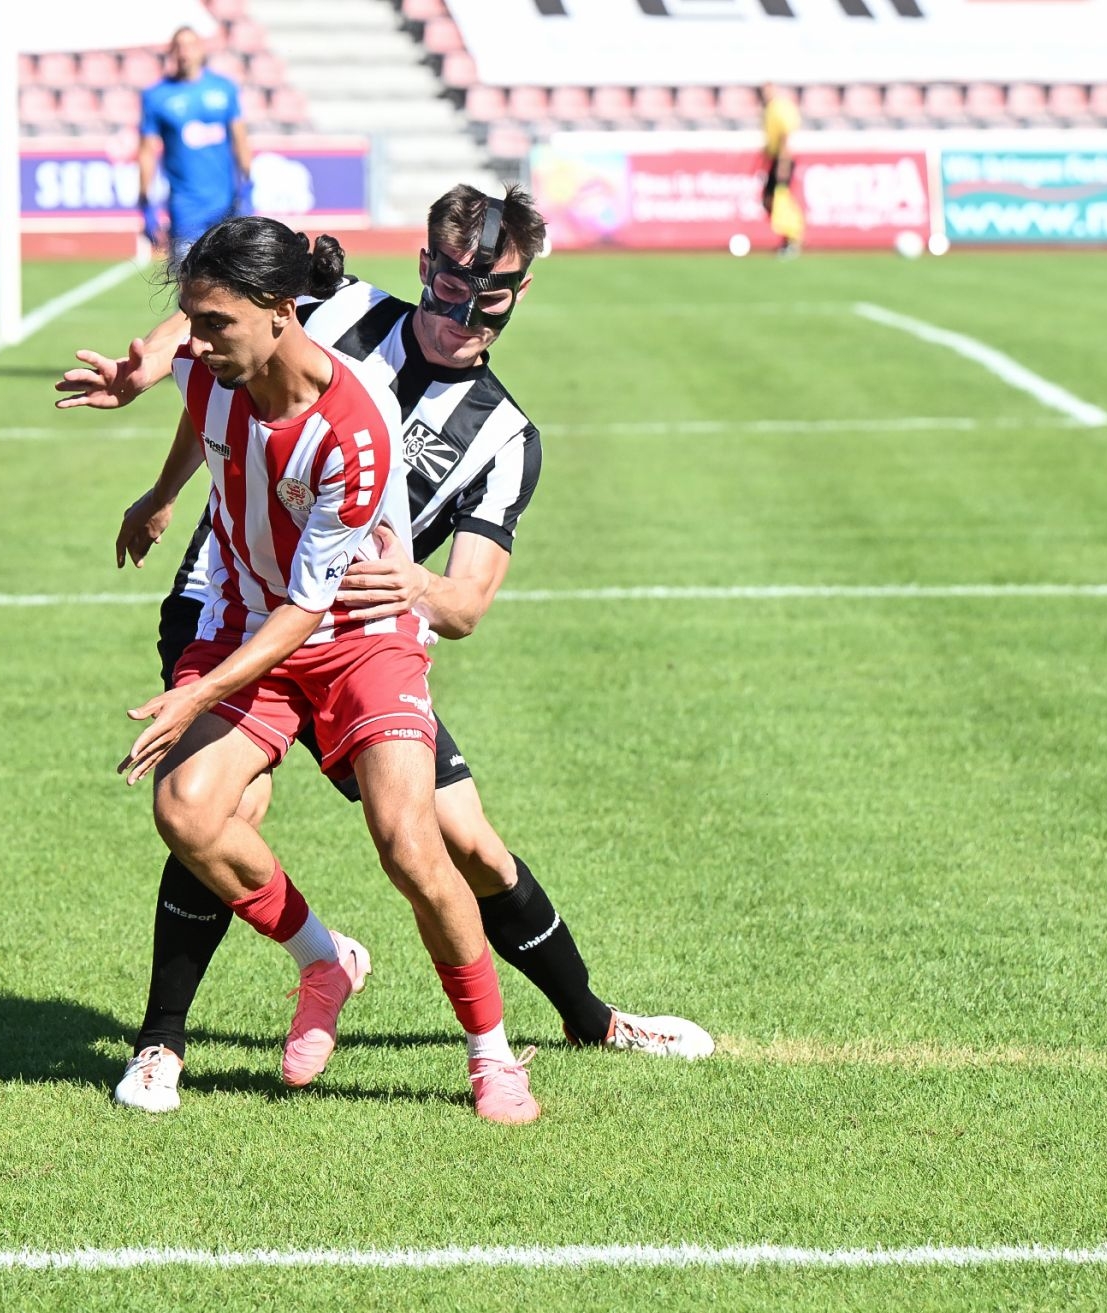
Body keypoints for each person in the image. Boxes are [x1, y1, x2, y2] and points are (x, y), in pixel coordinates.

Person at [58, 185, 714, 1115]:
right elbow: (215, 316)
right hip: (229, 599)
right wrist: (153, 395)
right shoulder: (333, 304)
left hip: (361, 638)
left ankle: (588, 1018)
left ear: (520, 294)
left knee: (457, 843)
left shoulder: (503, 436)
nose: (462, 314)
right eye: (448, 288)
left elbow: (467, 601)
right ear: (424, 268)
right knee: (219, 801)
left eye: (488, 298)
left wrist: (417, 584)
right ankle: (164, 1039)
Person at [115, 214, 542, 1124]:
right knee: (187, 811)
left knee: (411, 844)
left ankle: (492, 1053)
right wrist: (158, 497)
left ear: (281, 310)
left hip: (357, 633)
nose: (196, 341)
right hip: (245, 614)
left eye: (214, 323)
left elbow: (310, 610)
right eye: (192, 321)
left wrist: (199, 692)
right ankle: (324, 958)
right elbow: (197, 408)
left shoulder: (354, 432)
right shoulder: (213, 363)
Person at [138, 26, 254, 264]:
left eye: (190, 45)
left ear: (201, 49)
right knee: (188, 276)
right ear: (171, 52)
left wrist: (248, 183)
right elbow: (147, 151)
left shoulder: (224, 88)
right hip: (185, 207)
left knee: (230, 277)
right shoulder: (156, 96)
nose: (185, 52)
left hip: (226, 203)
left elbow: (240, 139)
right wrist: (145, 201)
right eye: (179, 46)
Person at [758, 82, 804, 258]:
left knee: (780, 199)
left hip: (783, 159)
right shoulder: (769, 110)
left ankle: (792, 238)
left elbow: (785, 136)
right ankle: (788, 238)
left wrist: (783, 163)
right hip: (775, 159)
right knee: (770, 200)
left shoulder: (779, 108)